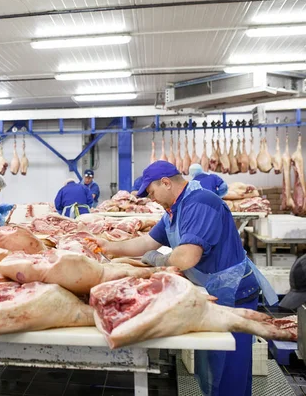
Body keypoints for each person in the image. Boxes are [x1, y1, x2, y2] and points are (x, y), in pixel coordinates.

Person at [94, 160, 277, 396]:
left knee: (228, 369)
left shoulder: (199, 203)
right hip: (211, 290)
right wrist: (110, 247)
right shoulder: (174, 209)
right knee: (213, 367)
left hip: (232, 293)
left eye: (151, 193)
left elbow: (187, 257)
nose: (151, 199)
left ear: (166, 183)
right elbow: (148, 242)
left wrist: (158, 260)